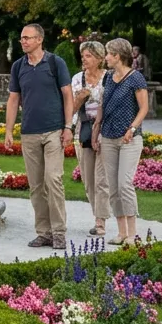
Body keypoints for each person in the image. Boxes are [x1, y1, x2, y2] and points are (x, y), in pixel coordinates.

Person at [4, 24, 74, 251]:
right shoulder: (18, 66)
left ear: (39, 39)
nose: (23, 41)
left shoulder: (55, 63)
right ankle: (44, 233)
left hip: (54, 130)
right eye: (21, 38)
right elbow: (14, 99)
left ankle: (59, 232)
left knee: (53, 180)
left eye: (27, 38)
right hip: (29, 133)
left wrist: (68, 126)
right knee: (36, 186)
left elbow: (67, 95)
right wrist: (8, 130)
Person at [95, 38, 149, 247]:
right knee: (114, 187)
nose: (106, 57)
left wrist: (132, 128)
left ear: (117, 56)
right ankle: (121, 232)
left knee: (124, 184)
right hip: (108, 137)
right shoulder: (108, 77)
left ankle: (133, 235)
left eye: (108, 53)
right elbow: (102, 104)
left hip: (129, 139)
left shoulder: (136, 78)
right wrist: (96, 130)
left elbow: (143, 108)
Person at [70, 41, 109, 237]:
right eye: (83, 56)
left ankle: (100, 222)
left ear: (100, 58)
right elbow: (71, 109)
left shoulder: (108, 78)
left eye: (89, 56)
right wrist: (79, 99)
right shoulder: (77, 79)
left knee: (101, 179)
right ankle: (98, 213)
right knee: (88, 178)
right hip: (83, 130)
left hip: (105, 131)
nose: (84, 59)